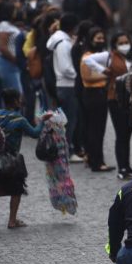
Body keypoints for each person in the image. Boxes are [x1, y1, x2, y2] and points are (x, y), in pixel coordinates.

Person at [0, 89, 53, 228]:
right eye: (19, 98)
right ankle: (12, 220)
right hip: (12, 161)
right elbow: (34, 133)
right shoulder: (19, 120)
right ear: (15, 101)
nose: (21, 101)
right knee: (16, 190)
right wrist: (42, 121)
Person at [83, 30, 132, 178]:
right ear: (114, 45)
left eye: (126, 42)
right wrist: (103, 70)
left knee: (129, 133)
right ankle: (122, 168)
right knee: (121, 134)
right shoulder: (108, 56)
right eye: (121, 43)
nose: (124, 45)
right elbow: (87, 60)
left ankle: (128, 166)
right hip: (116, 98)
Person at [47, 13, 83, 162]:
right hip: (67, 85)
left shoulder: (60, 40)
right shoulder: (63, 43)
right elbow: (65, 67)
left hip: (63, 84)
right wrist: (79, 76)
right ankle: (66, 151)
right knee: (70, 120)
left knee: (66, 120)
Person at [79, 27, 114, 172]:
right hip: (93, 94)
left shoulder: (99, 55)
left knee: (97, 130)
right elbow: (87, 77)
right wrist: (109, 75)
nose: (100, 41)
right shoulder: (87, 57)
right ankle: (96, 162)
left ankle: (95, 159)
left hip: (99, 94)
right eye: (97, 38)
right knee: (95, 130)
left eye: (102, 38)